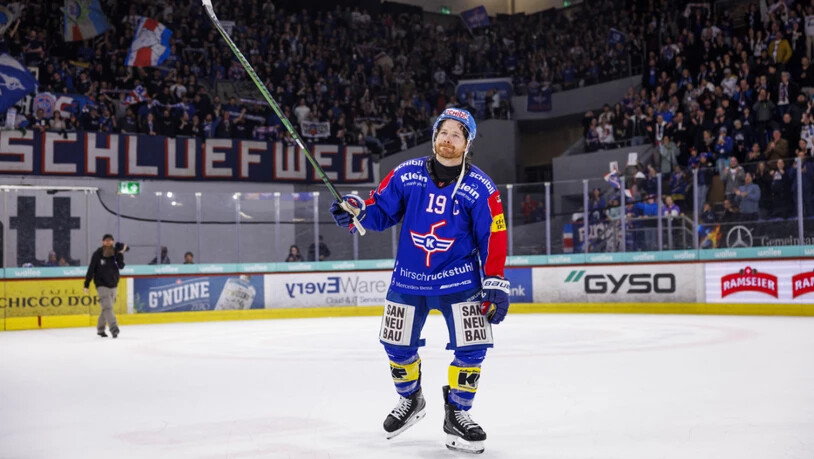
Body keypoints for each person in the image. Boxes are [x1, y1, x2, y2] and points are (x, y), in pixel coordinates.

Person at [328, 108, 508, 454]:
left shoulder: (481, 187)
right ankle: (411, 399)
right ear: (435, 135)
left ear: (467, 143)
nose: (448, 139)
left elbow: (494, 236)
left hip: (460, 281)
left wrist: (495, 280)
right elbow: (379, 210)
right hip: (409, 279)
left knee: (473, 347)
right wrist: (356, 211)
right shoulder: (405, 174)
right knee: (395, 344)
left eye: (456, 134)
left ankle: (458, 412)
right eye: (443, 132)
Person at [84, 234, 126, 338]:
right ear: (103, 242)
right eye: (106, 240)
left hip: (113, 284)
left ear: (112, 242)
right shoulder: (98, 254)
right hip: (101, 284)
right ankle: (114, 328)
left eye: (110, 240)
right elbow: (91, 268)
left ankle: (100, 329)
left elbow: (121, 266)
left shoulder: (116, 253)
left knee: (107, 308)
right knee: (108, 307)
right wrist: (86, 284)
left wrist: (120, 253)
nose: (108, 242)